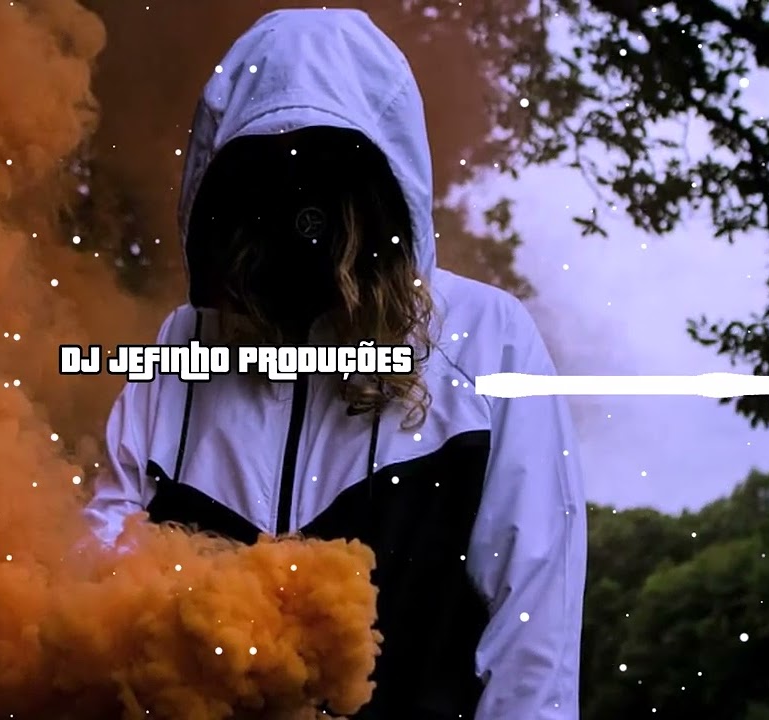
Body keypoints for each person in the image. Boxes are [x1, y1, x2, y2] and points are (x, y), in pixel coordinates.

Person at [84, 8, 587, 719]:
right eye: (268, 175)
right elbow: (104, 557)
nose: (301, 212)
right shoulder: (183, 346)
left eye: (325, 172)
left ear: (385, 178)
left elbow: (533, 623)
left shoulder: (487, 337)